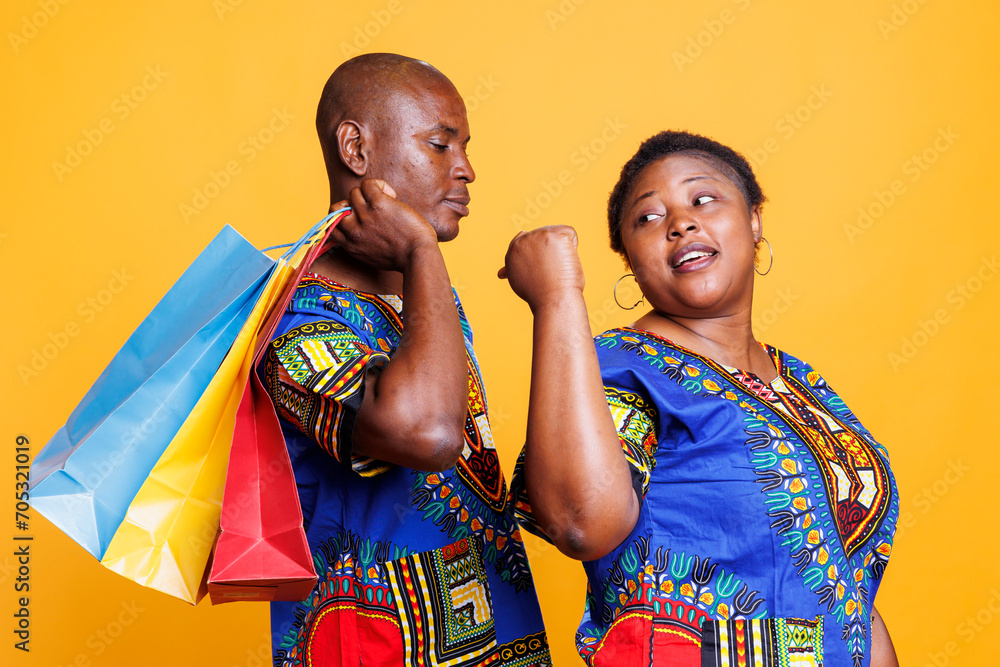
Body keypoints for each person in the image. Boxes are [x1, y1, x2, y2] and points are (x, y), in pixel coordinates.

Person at [500, 131, 899, 666]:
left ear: (754, 220)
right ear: (630, 261)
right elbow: (580, 521)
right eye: (647, 218)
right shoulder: (618, 372)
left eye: (702, 199)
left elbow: (852, 595)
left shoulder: (804, 386)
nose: (680, 223)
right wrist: (558, 299)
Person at [264, 53, 550, 666]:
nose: (467, 168)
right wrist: (422, 247)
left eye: (464, 147)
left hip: (498, 633)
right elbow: (427, 433)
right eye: (440, 144)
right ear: (356, 150)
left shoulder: (419, 297)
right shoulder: (295, 315)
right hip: (374, 645)